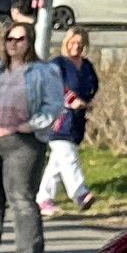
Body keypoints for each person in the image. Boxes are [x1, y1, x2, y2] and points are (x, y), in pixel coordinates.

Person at [0, 15, 61, 253]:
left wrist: (33, 124)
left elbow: (54, 105)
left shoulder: (44, 71)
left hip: (23, 141)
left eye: (20, 39)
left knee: (21, 195)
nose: (14, 44)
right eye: (9, 39)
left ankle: (29, 252)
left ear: (30, 42)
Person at [37, 17, 102, 217]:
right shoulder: (58, 64)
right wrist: (71, 100)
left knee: (58, 162)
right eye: (73, 42)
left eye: (80, 44)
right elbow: (52, 86)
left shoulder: (87, 66)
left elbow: (93, 85)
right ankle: (80, 193)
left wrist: (86, 102)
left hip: (78, 119)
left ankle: (43, 198)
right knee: (68, 156)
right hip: (59, 119)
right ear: (66, 43)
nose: (76, 47)